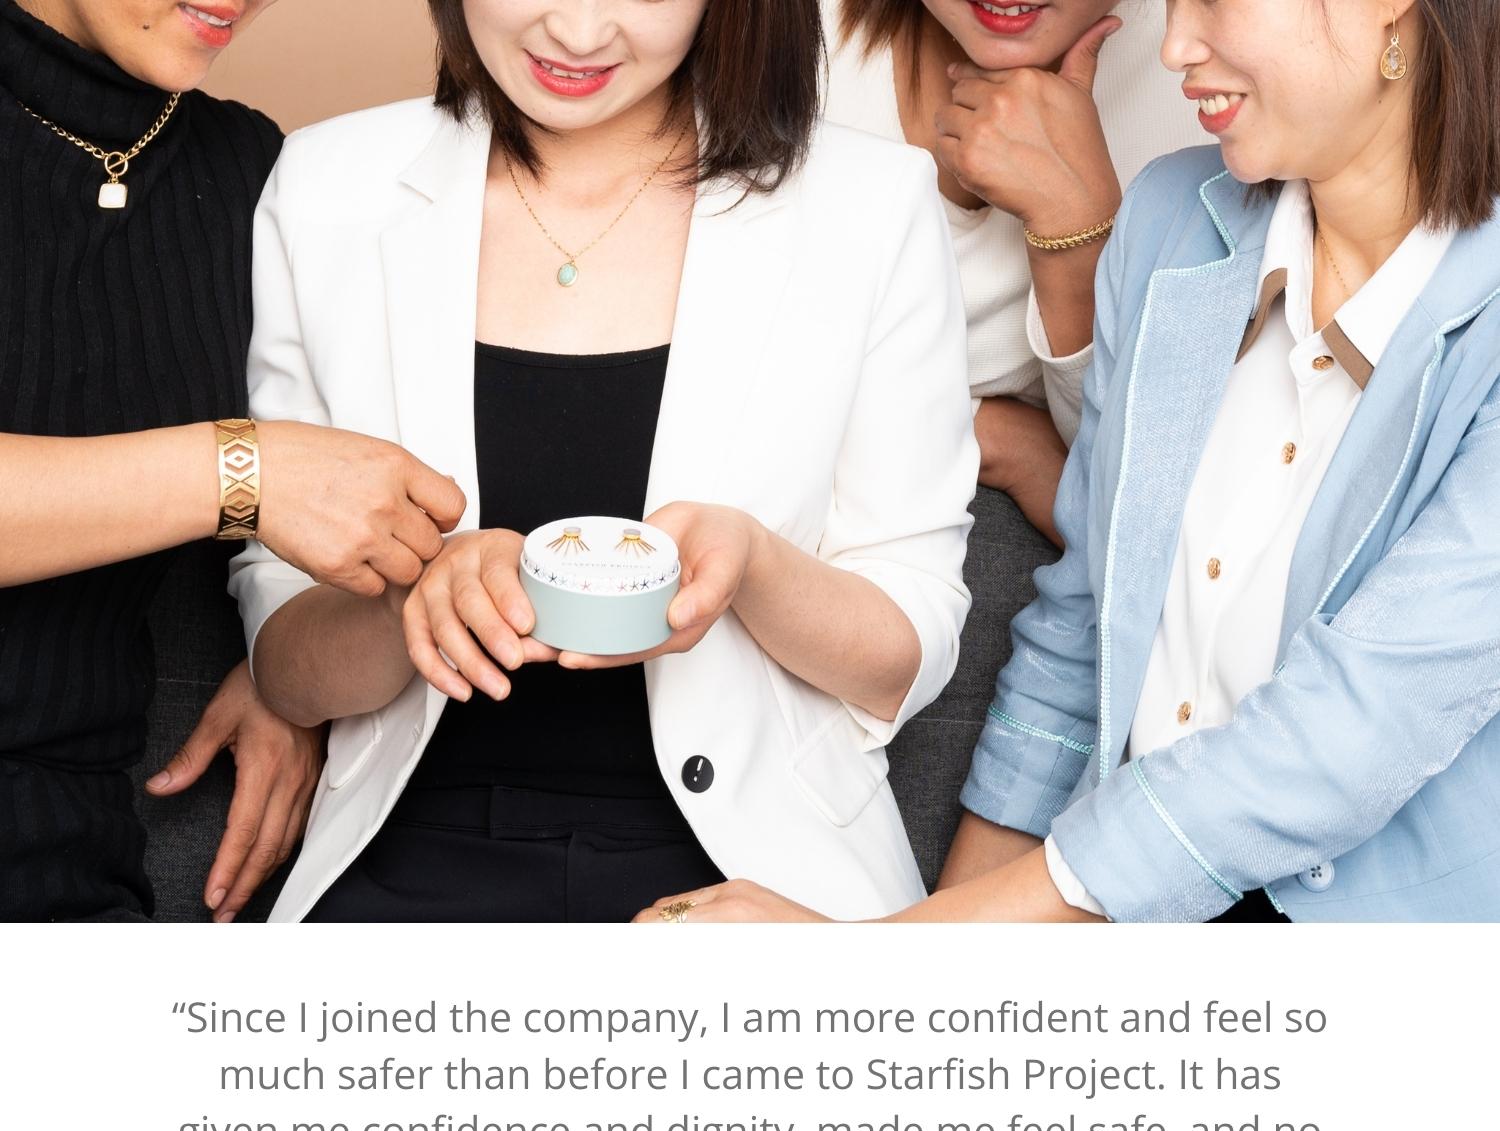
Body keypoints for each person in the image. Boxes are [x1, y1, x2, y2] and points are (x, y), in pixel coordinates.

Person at [641, 0, 1500, 923]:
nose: (1174, 46)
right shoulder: (1177, 219)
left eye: (1214, 1)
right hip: (1107, 919)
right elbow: (1079, 642)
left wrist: (880, 965)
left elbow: (1354, 730)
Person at [230, 0, 977, 922]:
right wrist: (411, 604)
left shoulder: (871, 204)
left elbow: (908, 653)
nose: (579, 34)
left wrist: (750, 565)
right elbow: (284, 666)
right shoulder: (325, 188)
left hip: (755, 879)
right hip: (409, 855)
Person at [0, 0, 467, 922]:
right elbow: (266, 477)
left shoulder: (248, 172)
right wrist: (242, 475)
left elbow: (291, 543)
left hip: (65, 862)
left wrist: (277, 673)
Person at [824, 0, 1201, 883]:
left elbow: (1174, 532)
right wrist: (989, 440)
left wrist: (1078, 235)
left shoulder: (1206, 77)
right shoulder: (776, 45)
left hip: (1044, 587)